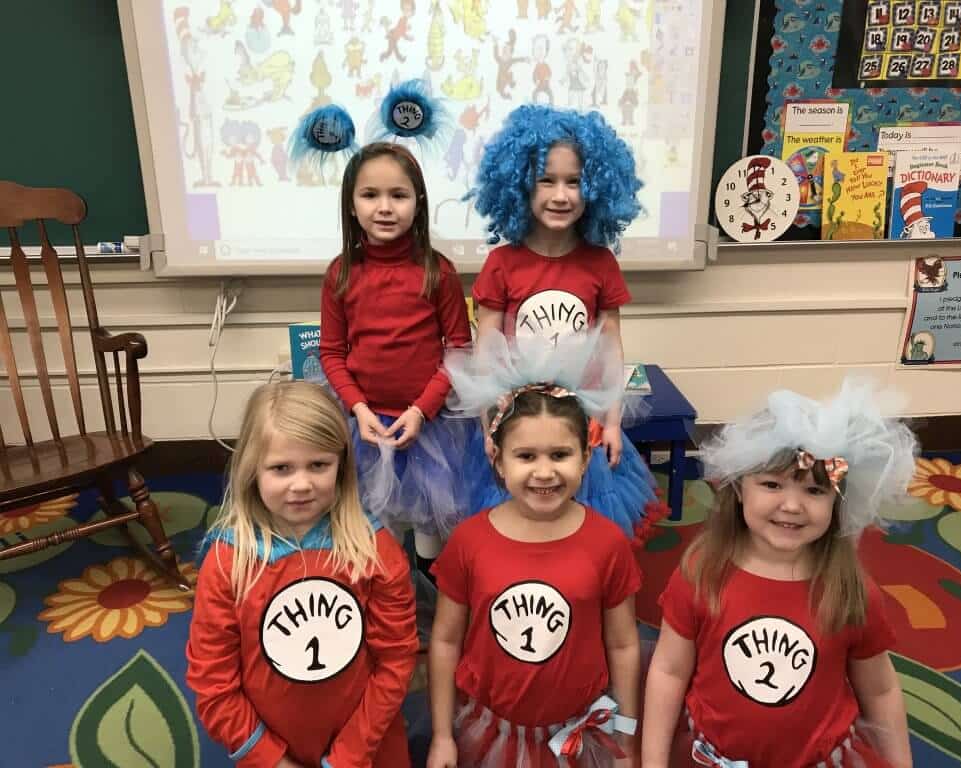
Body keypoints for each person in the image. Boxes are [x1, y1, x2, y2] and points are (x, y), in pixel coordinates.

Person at [642, 380, 917, 768]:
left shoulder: (849, 589)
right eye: (772, 484)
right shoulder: (702, 573)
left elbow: (880, 690)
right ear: (739, 488)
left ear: (837, 501)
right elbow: (669, 671)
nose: (791, 505)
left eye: (814, 491)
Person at [428, 330, 642, 767]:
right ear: (498, 459)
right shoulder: (469, 542)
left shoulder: (608, 543)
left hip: (578, 734)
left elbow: (623, 645)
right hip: (491, 732)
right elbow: (446, 641)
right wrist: (441, 735)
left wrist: (627, 737)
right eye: (526, 456)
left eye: (560, 455)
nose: (544, 472)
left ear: (586, 458)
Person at [186, 381, 419, 768]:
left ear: (340, 466)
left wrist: (347, 758)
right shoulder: (228, 562)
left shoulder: (375, 552)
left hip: (366, 746)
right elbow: (213, 682)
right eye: (281, 468)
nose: (301, 485)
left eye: (318, 465)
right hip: (270, 751)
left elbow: (395, 661)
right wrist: (270, 759)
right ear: (251, 470)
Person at [466, 103, 666, 542]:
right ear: (520, 184)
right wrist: (487, 427)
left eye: (573, 181)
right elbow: (485, 355)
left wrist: (612, 422)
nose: (561, 195)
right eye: (547, 180)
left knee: (585, 527)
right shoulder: (502, 264)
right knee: (520, 523)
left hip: (581, 422)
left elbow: (611, 348)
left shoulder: (600, 263)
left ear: (595, 186)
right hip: (517, 423)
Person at [318, 140, 473, 571]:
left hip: (430, 424)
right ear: (351, 205)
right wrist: (359, 408)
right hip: (366, 424)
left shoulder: (437, 271)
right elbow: (331, 352)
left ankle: (428, 589)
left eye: (398, 195)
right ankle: (391, 590)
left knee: (430, 524)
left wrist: (422, 409)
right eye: (370, 195)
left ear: (417, 202)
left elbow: (459, 349)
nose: (385, 208)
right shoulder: (341, 273)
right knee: (379, 524)